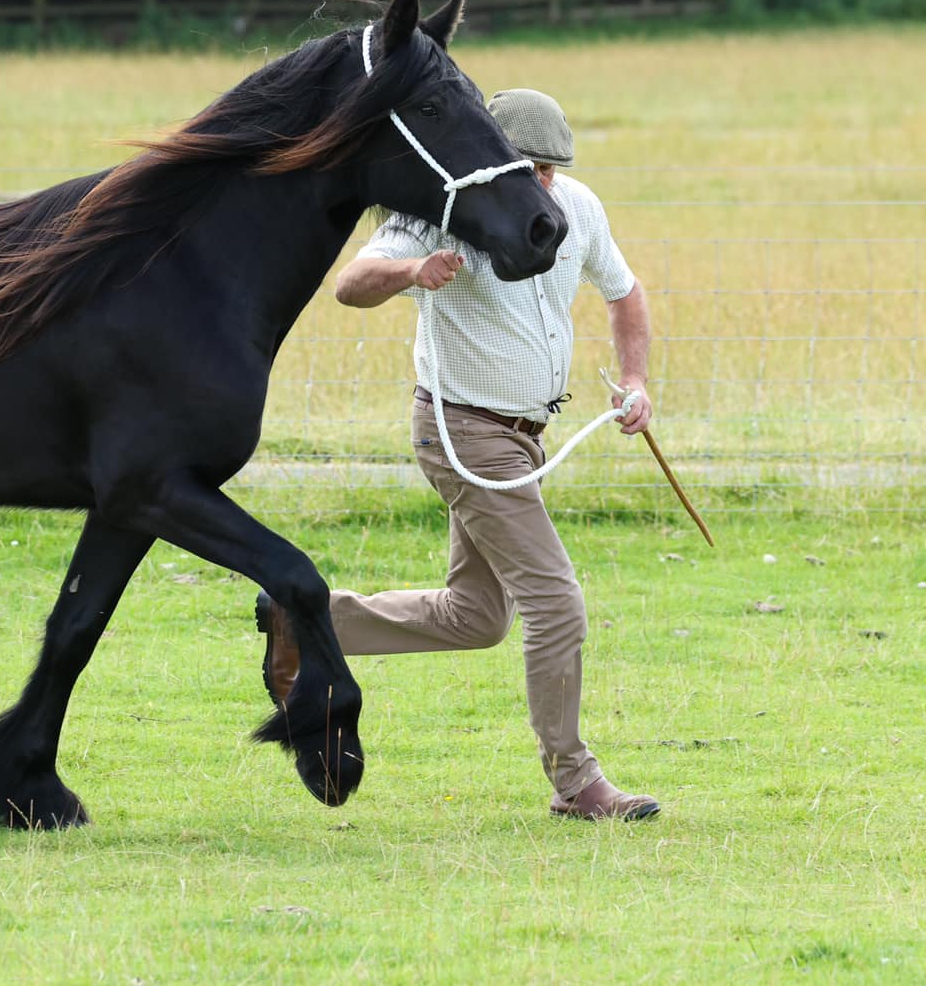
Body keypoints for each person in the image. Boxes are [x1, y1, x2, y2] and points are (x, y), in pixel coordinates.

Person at [258, 87, 662, 820]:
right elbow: (350, 284)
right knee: (555, 602)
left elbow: (625, 293)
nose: (541, 182)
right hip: (462, 434)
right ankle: (577, 783)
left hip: (525, 436)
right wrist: (413, 273)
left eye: (550, 168)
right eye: (527, 165)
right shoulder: (434, 214)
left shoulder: (578, 207)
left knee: (477, 618)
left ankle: (308, 617)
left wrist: (633, 379)